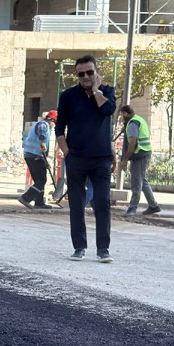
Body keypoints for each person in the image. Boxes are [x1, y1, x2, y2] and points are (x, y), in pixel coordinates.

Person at [56, 54, 117, 262]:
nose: (85, 76)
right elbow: (59, 128)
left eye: (89, 72)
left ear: (96, 72)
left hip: (101, 159)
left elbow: (108, 110)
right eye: (81, 73)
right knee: (77, 204)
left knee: (102, 203)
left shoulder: (107, 92)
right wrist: (67, 153)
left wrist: (97, 91)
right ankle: (79, 247)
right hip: (77, 159)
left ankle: (103, 250)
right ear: (76, 75)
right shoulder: (68, 96)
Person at [117, 106, 162, 217]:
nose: (120, 117)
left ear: (125, 114)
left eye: (121, 114)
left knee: (136, 182)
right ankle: (153, 206)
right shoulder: (137, 119)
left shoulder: (133, 123)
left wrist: (125, 160)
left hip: (140, 154)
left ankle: (132, 209)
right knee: (143, 181)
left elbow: (133, 143)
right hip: (143, 153)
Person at [19, 110, 55, 209]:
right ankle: (25, 198)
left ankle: (39, 202)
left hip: (34, 156)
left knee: (40, 179)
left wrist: (45, 160)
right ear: (51, 120)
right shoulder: (44, 124)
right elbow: (41, 132)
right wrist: (42, 139)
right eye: (54, 122)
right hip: (34, 156)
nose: (54, 125)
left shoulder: (44, 125)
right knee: (41, 180)